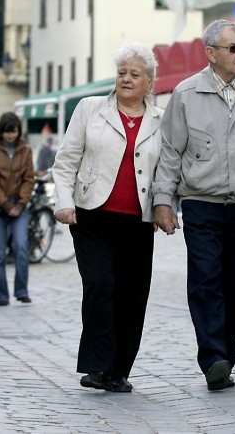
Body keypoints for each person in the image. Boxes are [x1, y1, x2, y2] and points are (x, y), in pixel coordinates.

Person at [152, 19, 235, 392]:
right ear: (210, 54)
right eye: (234, 48)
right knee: (205, 281)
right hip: (201, 204)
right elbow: (169, 153)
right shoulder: (185, 94)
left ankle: (224, 355)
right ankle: (213, 357)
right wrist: (163, 201)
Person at [52, 42, 165, 393]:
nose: (126, 79)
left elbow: (168, 171)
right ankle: (98, 366)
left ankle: (120, 371)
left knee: (132, 294)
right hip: (92, 215)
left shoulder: (161, 120)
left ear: (149, 81)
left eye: (134, 74)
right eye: (121, 73)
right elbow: (66, 160)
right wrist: (63, 201)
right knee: (101, 285)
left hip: (138, 220)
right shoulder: (90, 109)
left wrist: (165, 206)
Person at [0, 112, 35, 306]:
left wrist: (20, 204)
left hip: (19, 206)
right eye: (7, 132)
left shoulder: (25, 150)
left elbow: (29, 178)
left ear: (18, 131)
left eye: (13, 132)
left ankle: (21, 291)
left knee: (21, 247)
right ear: (1, 132)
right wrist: (5, 204)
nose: (10, 136)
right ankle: (1, 295)